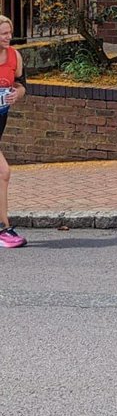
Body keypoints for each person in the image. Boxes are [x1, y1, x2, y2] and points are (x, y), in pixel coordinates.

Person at [0, 15, 27, 247]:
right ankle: (4, 229)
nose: (8, 37)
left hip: (1, 119)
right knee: (3, 172)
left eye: (9, 32)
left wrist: (16, 94)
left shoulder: (14, 56)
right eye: (3, 34)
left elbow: (21, 84)